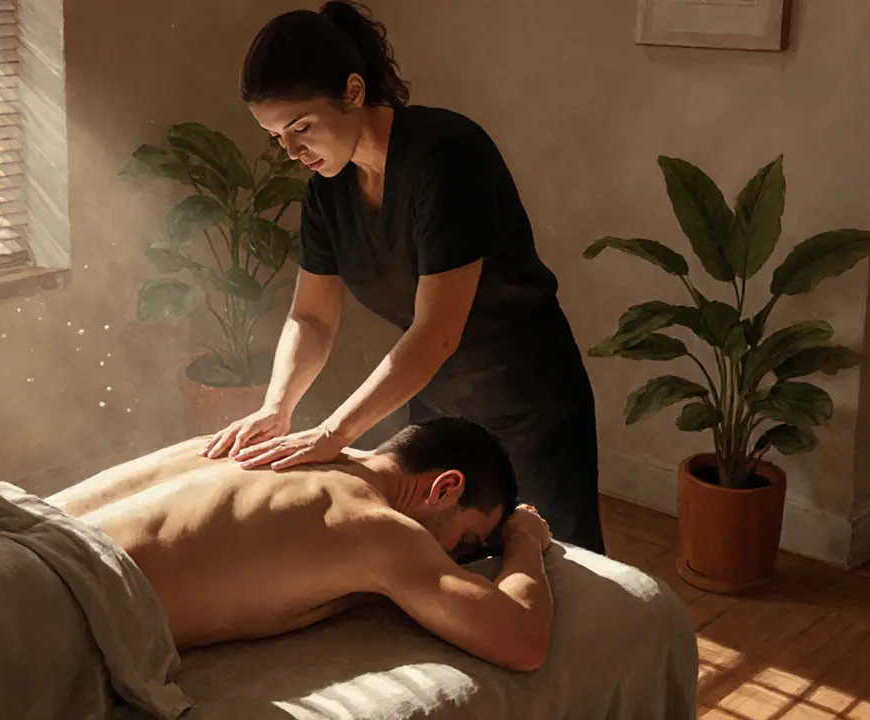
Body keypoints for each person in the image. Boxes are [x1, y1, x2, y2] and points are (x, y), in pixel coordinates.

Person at [203, 1, 605, 556]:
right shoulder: (327, 190)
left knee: (557, 567)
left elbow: (436, 331)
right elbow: (312, 316)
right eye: (277, 136)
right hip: (436, 403)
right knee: (443, 563)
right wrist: (278, 406)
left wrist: (335, 433)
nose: (292, 152)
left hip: (525, 398)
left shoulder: (446, 155)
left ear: (352, 91)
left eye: (301, 127)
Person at [49, 416, 555, 672]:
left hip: (8, 524)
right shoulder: (372, 524)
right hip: (45, 604)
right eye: (465, 542)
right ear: (445, 487)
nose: (454, 557)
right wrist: (524, 539)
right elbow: (524, 643)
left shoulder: (259, 442)